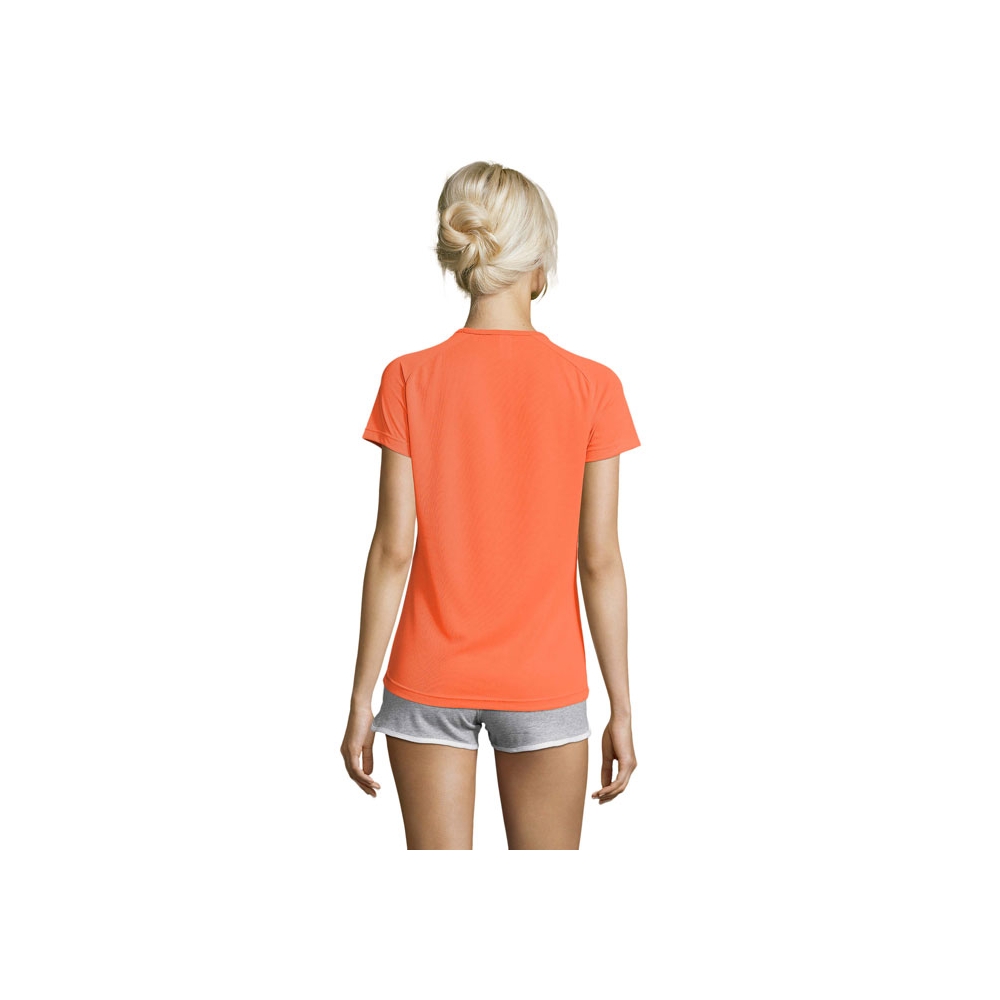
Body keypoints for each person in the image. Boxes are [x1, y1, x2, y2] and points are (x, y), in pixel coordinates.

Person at [340, 161, 641, 850]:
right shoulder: (593, 387)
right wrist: (622, 707)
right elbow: (599, 559)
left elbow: (392, 548)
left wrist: (361, 697)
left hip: (427, 678)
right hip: (544, 683)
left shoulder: (408, 378)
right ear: (539, 268)